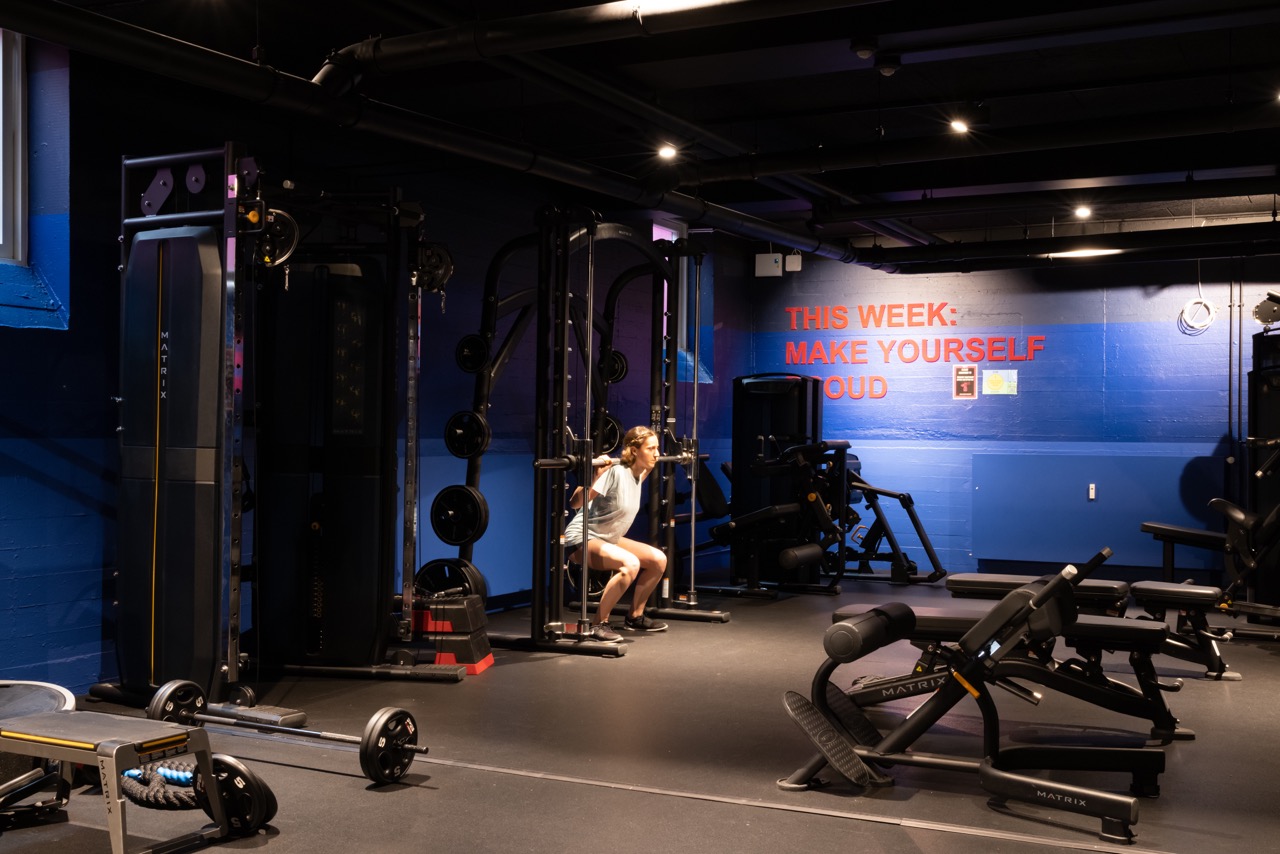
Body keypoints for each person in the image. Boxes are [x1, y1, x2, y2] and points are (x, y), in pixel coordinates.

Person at [562, 425, 669, 643]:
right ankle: (598, 624)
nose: (657, 454)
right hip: (582, 537)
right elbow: (574, 503)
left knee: (658, 559)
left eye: (657, 448)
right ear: (634, 450)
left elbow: (648, 465)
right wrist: (595, 475)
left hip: (607, 537)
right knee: (630, 564)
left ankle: (635, 616)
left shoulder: (640, 472)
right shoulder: (614, 471)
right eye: (651, 449)